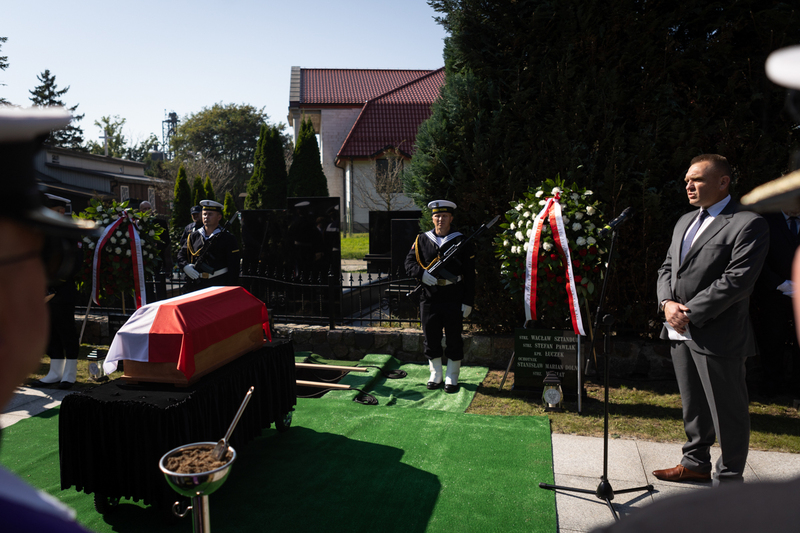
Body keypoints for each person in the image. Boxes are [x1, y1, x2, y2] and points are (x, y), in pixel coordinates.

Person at [0, 106, 97, 531]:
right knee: (57, 339)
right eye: (45, 256)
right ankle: (60, 374)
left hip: (63, 301)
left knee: (64, 337)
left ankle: (66, 375)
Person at [655, 154, 769, 485]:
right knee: (694, 405)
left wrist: (686, 313)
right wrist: (666, 304)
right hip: (679, 329)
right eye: (688, 180)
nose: (689, 185)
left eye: (698, 180)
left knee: (728, 411)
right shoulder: (684, 221)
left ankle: (730, 479)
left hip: (717, 333)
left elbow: (737, 280)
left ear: (723, 182)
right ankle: (695, 463)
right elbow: (667, 268)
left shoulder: (747, 223)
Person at [405, 200, 475, 393]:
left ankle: (452, 376)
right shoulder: (422, 239)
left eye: (444, 216)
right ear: (432, 218)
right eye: (437, 216)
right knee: (431, 335)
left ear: (451, 218)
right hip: (430, 297)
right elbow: (409, 263)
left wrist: (468, 301)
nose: (440, 220)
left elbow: (470, 273)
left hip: (454, 295)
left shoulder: (461, 240)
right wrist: (421, 274)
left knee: (453, 336)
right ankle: (435, 374)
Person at [32, 194, 81, 389]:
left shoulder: (70, 231)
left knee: (66, 330)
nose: (60, 214)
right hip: (43, 291)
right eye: (56, 211)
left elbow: (75, 263)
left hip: (62, 289)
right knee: (50, 332)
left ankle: (69, 374)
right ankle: (54, 372)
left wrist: (54, 285)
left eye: (62, 211)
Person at [176, 199, 240, 292]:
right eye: (204, 214)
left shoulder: (227, 238)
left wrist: (230, 289)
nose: (206, 217)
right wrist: (185, 267)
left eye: (210, 214)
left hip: (219, 284)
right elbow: (181, 255)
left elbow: (234, 267)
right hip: (197, 285)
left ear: (219, 217)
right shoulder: (194, 236)